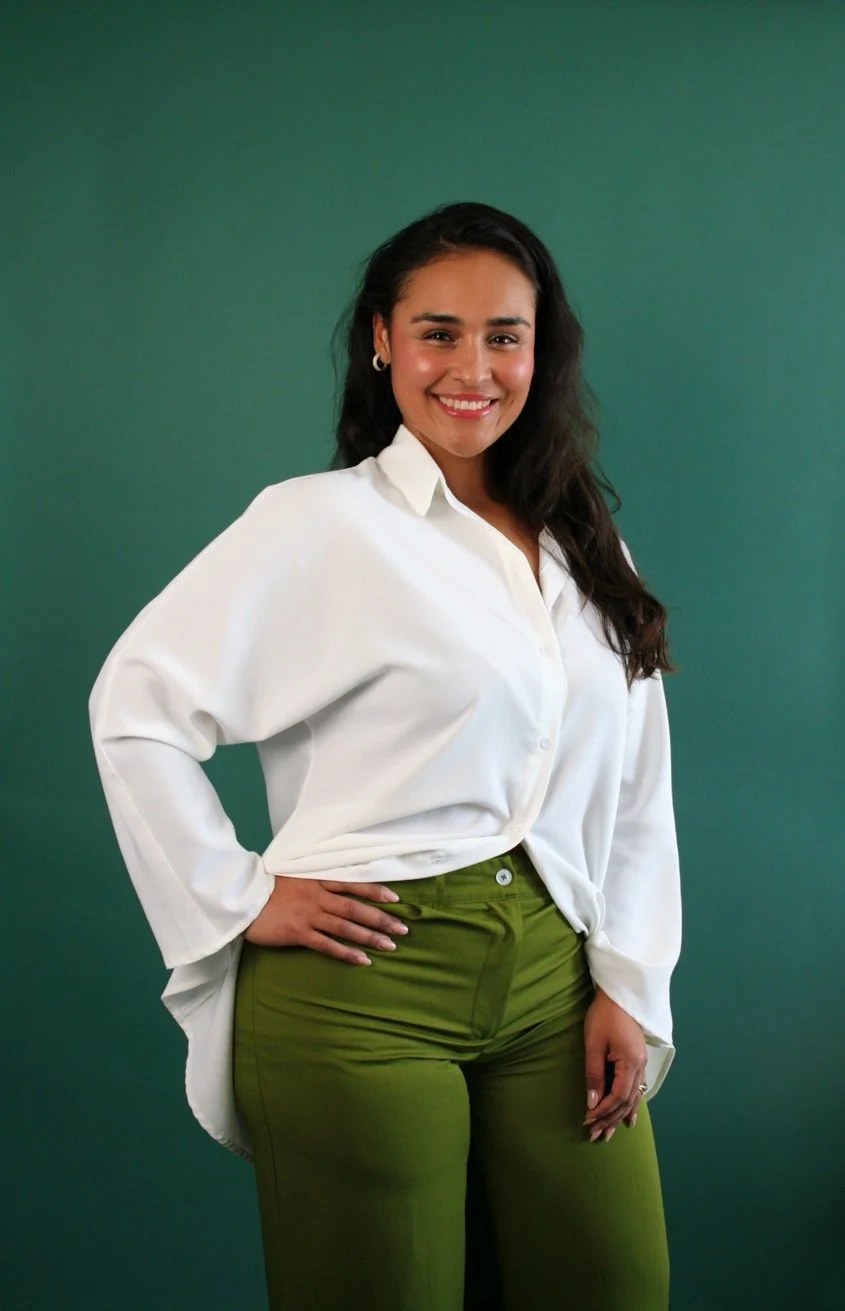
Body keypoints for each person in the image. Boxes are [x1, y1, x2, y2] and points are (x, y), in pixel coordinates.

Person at [89, 200, 681, 1311]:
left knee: (616, 1286)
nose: (472, 368)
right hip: (361, 992)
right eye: (436, 333)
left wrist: (629, 985)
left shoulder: (584, 543)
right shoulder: (318, 524)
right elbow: (134, 706)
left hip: (555, 985)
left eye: (503, 335)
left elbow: (634, 788)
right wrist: (236, 894)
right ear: (381, 340)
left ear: (541, 350)